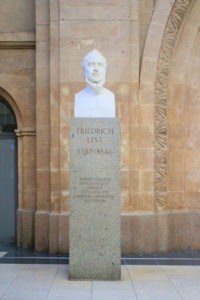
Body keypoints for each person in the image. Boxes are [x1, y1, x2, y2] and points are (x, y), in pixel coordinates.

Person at [74, 49, 115, 117]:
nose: (96, 68)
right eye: (91, 64)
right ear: (84, 71)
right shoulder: (78, 97)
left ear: (105, 71)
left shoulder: (110, 96)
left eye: (100, 64)